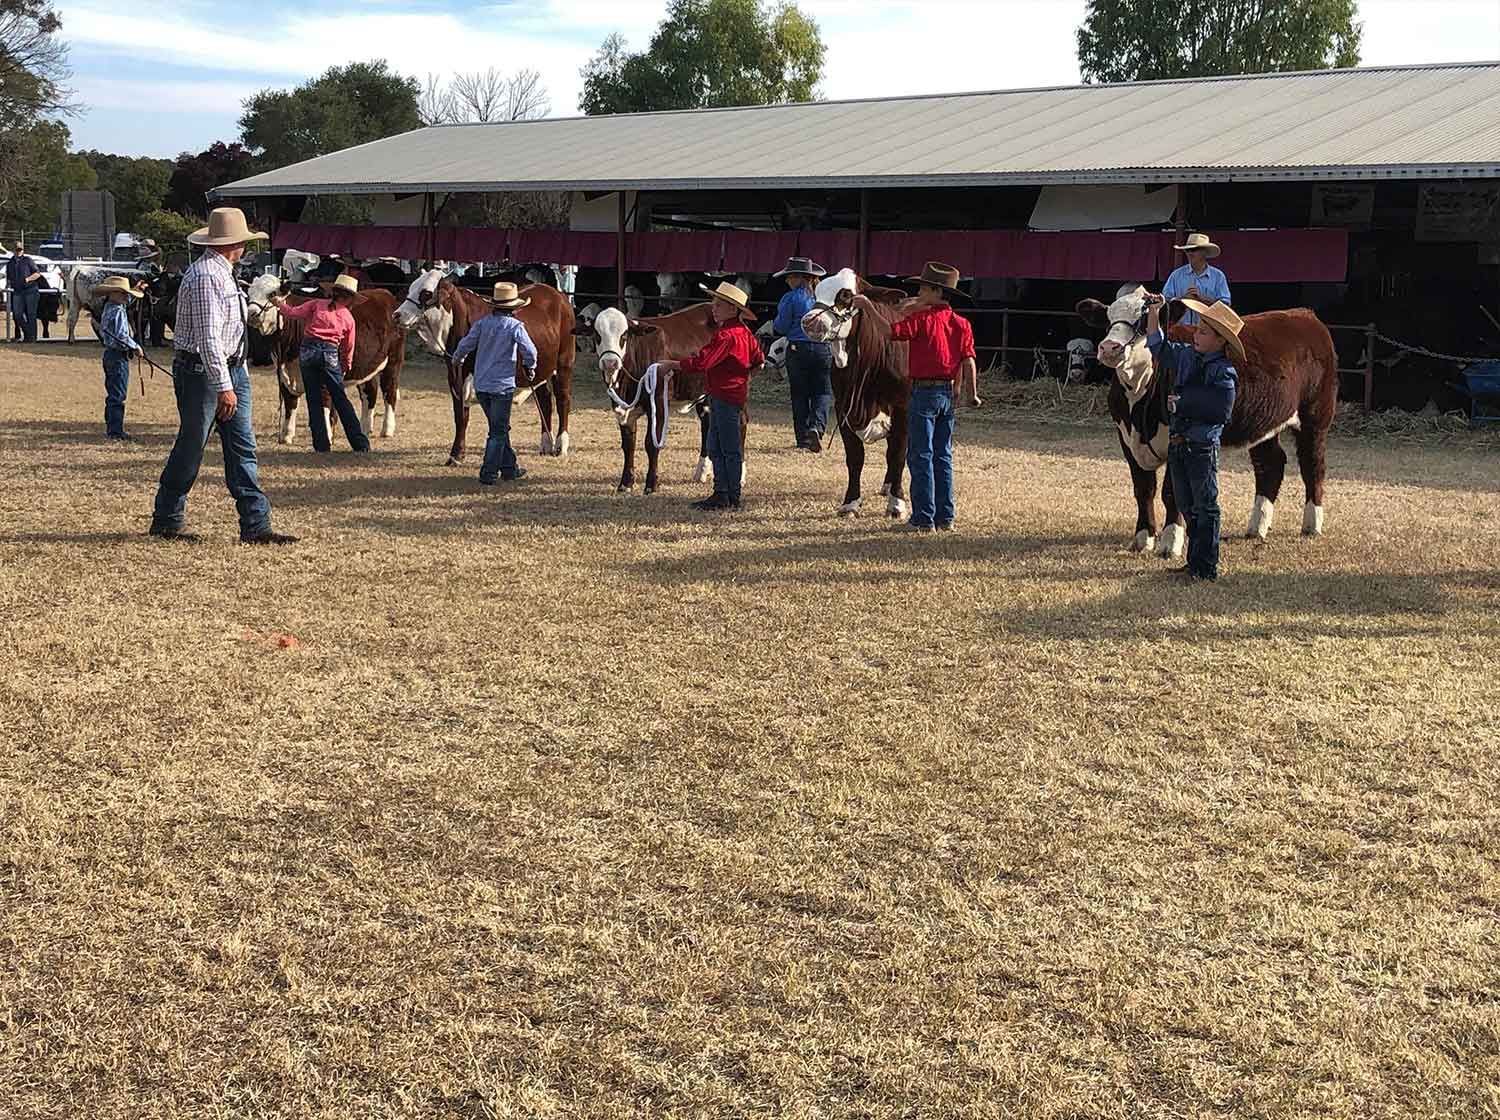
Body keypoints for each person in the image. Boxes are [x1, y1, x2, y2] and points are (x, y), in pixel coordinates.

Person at [149, 208, 296, 545]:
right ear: (237, 243)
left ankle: (256, 524)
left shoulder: (223, 273)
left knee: (243, 447)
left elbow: (230, 333)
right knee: (192, 446)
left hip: (227, 368)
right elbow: (208, 339)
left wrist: (238, 370)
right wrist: (225, 387)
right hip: (204, 372)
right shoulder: (205, 277)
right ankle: (167, 518)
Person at [1144, 292, 1241, 581]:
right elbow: (1157, 347)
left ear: (1220, 341)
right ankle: (1194, 563)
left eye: (1203, 331)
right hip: (1180, 442)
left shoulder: (1224, 371)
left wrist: (1181, 403)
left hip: (1201, 446)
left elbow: (1221, 409)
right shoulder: (1187, 355)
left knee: (1205, 506)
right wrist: (1154, 313)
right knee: (1187, 505)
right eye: (1198, 328)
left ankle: (1206, 567)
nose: (1196, 334)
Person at [886, 262, 979, 534]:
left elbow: (890, 332)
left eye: (923, 288)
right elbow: (969, 360)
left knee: (920, 455)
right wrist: (971, 393)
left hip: (923, 391)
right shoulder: (961, 323)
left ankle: (923, 518)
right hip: (947, 393)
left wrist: (870, 308)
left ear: (936, 292)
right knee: (943, 455)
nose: (917, 292)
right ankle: (945, 517)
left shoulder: (921, 320)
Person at [656, 281, 763, 511]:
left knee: (723, 446)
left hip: (723, 396)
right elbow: (758, 361)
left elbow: (703, 362)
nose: (713, 308)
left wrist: (672, 364)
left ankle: (727, 495)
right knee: (723, 445)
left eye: (719, 304)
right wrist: (743, 379)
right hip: (732, 395)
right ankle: (726, 493)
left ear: (732, 309)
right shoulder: (745, 333)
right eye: (714, 303)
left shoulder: (726, 335)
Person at [271, 273, 369, 454]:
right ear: (349, 298)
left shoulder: (316, 305)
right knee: (340, 399)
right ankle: (360, 444)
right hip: (330, 354)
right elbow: (348, 347)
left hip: (307, 352)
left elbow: (292, 313)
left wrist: (278, 303)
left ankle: (321, 445)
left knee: (313, 400)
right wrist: (345, 365)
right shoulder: (348, 317)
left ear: (333, 292)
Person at [451, 281, 538, 486]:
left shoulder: (482, 323)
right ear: (514, 308)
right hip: (502, 387)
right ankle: (488, 472)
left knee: (499, 428)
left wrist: (457, 358)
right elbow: (531, 351)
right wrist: (531, 367)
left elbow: (466, 344)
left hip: (482, 386)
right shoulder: (516, 326)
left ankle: (509, 469)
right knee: (498, 432)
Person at [771, 256, 831, 451]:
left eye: (790, 277)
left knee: (799, 394)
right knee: (822, 391)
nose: (787, 281)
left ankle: (803, 438)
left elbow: (780, 326)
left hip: (798, 348)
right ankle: (817, 427)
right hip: (824, 348)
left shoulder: (790, 298)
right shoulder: (825, 299)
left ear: (800, 277)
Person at [94, 275, 146, 441]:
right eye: (124, 293)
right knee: (118, 394)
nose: (126, 296)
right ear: (114, 293)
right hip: (118, 356)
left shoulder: (112, 306)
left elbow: (126, 302)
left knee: (114, 392)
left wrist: (136, 290)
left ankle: (112, 427)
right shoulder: (116, 310)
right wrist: (135, 346)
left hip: (112, 355)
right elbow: (121, 336)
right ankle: (115, 431)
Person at [1162, 233, 1231, 327]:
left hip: (1208, 333)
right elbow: (1165, 303)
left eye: (1194, 249)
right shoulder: (1176, 275)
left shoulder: (1218, 276)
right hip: (1180, 331)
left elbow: (1225, 307)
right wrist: (1184, 300)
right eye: (1187, 250)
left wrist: (1202, 299)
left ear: (1205, 252)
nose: (1190, 253)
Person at [6, 240, 43, 343]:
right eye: (17, 249)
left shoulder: (28, 260)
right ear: (13, 250)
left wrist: (28, 279)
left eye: (20, 249)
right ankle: (28, 334)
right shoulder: (10, 263)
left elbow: (37, 273)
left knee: (31, 315)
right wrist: (7, 287)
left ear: (23, 250)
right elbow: (9, 278)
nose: (19, 251)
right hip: (18, 292)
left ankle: (32, 339)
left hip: (31, 290)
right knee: (17, 315)